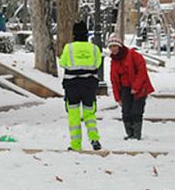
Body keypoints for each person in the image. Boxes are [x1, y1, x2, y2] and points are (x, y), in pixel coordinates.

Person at [58, 21, 102, 151]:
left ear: (74, 34)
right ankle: (94, 139)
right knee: (89, 113)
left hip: (72, 86)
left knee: (74, 116)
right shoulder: (94, 48)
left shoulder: (69, 48)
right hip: (89, 86)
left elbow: (62, 63)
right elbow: (98, 63)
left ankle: (76, 145)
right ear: (86, 34)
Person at [108, 33, 154, 140]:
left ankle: (136, 134)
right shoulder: (114, 61)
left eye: (115, 46)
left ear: (120, 46)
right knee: (126, 112)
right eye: (111, 47)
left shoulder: (133, 55)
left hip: (139, 88)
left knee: (136, 111)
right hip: (125, 89)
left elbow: (142, 71)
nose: (113, 49)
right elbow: (114, 81)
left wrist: (136, 87)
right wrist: (117, 98)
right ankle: (130, 134)